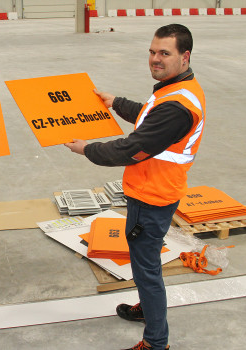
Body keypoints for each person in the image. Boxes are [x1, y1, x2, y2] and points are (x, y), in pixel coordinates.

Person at [64, 24, 205, 350]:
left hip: (152, 196)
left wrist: (87, 149)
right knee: (147, 260)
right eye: (153, 52)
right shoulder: (177, 89)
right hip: (157, 189)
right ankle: (150, 311)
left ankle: (156, 342)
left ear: (185, 57)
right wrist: (117, 102)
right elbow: (150, 116)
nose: (155, 59)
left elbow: (131, 148)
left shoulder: (176, 106)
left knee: (146, 268)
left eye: (164, 53)